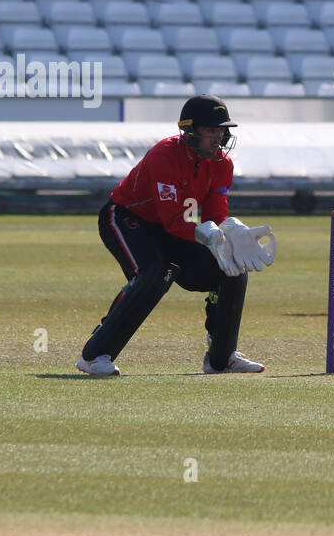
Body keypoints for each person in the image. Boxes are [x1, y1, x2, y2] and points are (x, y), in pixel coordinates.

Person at [76, 95, 275, 376]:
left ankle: (221, 358)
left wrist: (230, 234)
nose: (218, 137)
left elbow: (215, 217)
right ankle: (95, 355)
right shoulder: (165, 155)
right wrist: (207, 234)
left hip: (176, 227)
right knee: (154, 273)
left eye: (221, 130)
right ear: (190, 130)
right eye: (211, 130)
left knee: (232, 271)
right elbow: (172, 220)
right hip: (125, 219)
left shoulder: (222, 164)